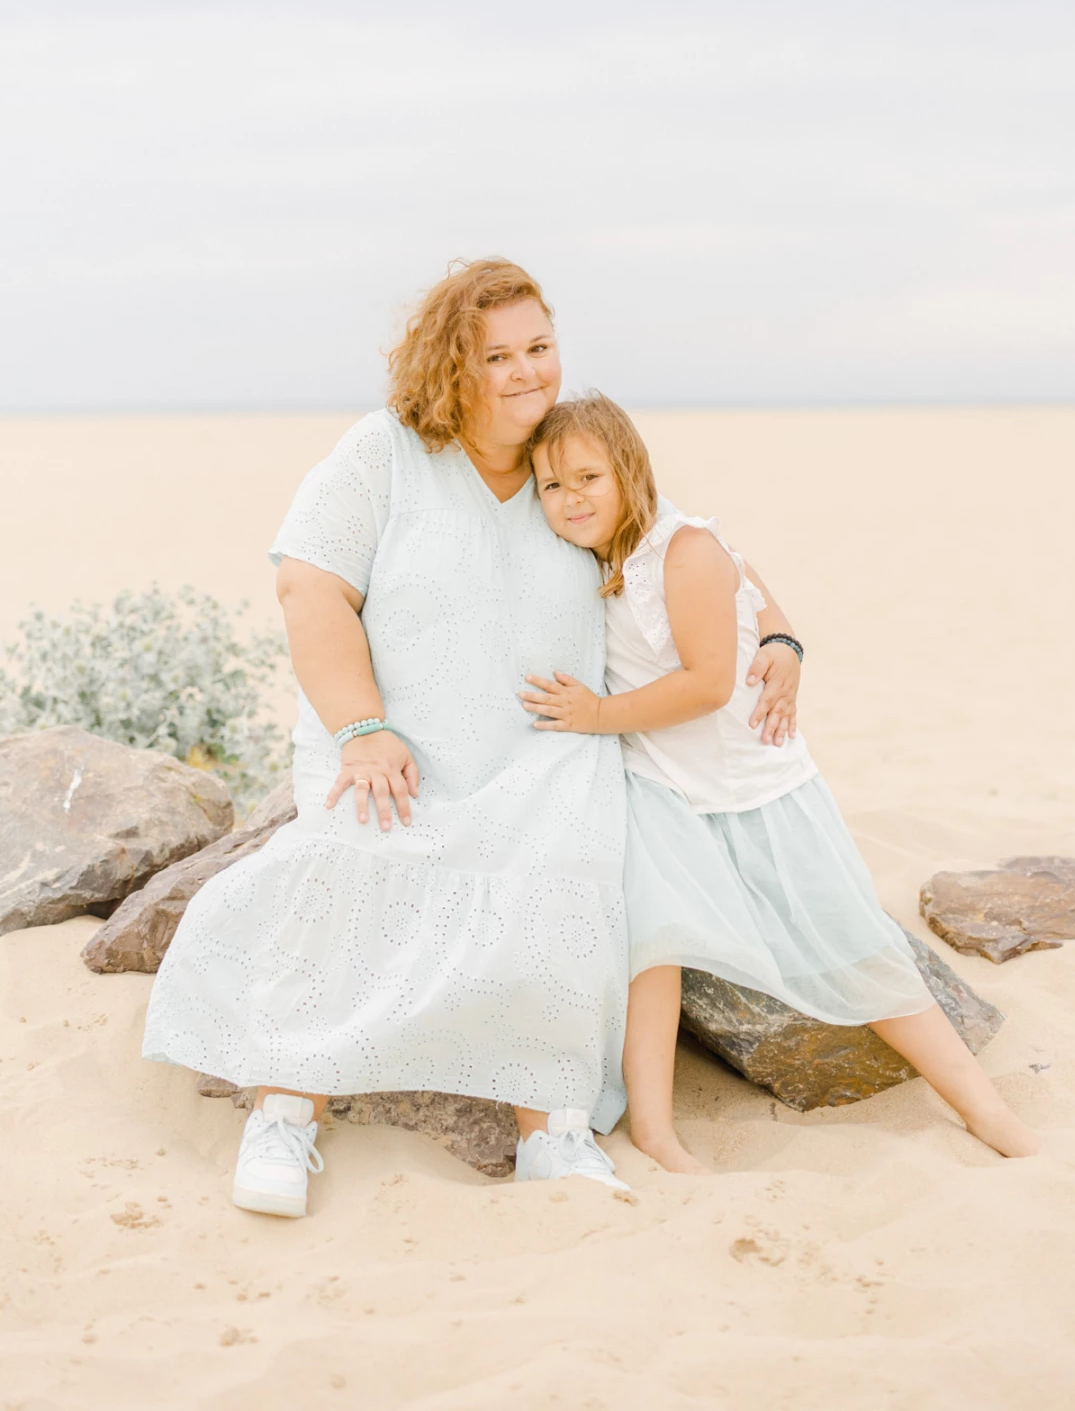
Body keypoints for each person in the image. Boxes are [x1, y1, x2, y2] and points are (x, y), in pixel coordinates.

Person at [142, 258, 802, 1214]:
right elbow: (309, 586)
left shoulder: (567, 459)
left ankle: (553, 1131)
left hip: (543, 749)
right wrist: (362, 729)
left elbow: (683, 548)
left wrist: (778, 635)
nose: (530, 371)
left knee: (568, 864)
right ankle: (286, 1111)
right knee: (354, 855)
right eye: (500, 355)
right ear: (454, 364)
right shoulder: (387, 453)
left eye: (541, 346)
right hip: (392, 742)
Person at [521, 393, 1039, 1174]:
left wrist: (600, 712)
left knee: (852, 943)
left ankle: (983, 1107)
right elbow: (755, 583)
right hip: (662, 786)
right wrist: (780, 626)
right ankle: (656, 1129)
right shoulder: (594, 554)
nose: (571, 499)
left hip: (755, 788)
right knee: (652, 945)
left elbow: (706, 682)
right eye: (552, 487)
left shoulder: (682, 548)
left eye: (589, 477)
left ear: (630, 471)